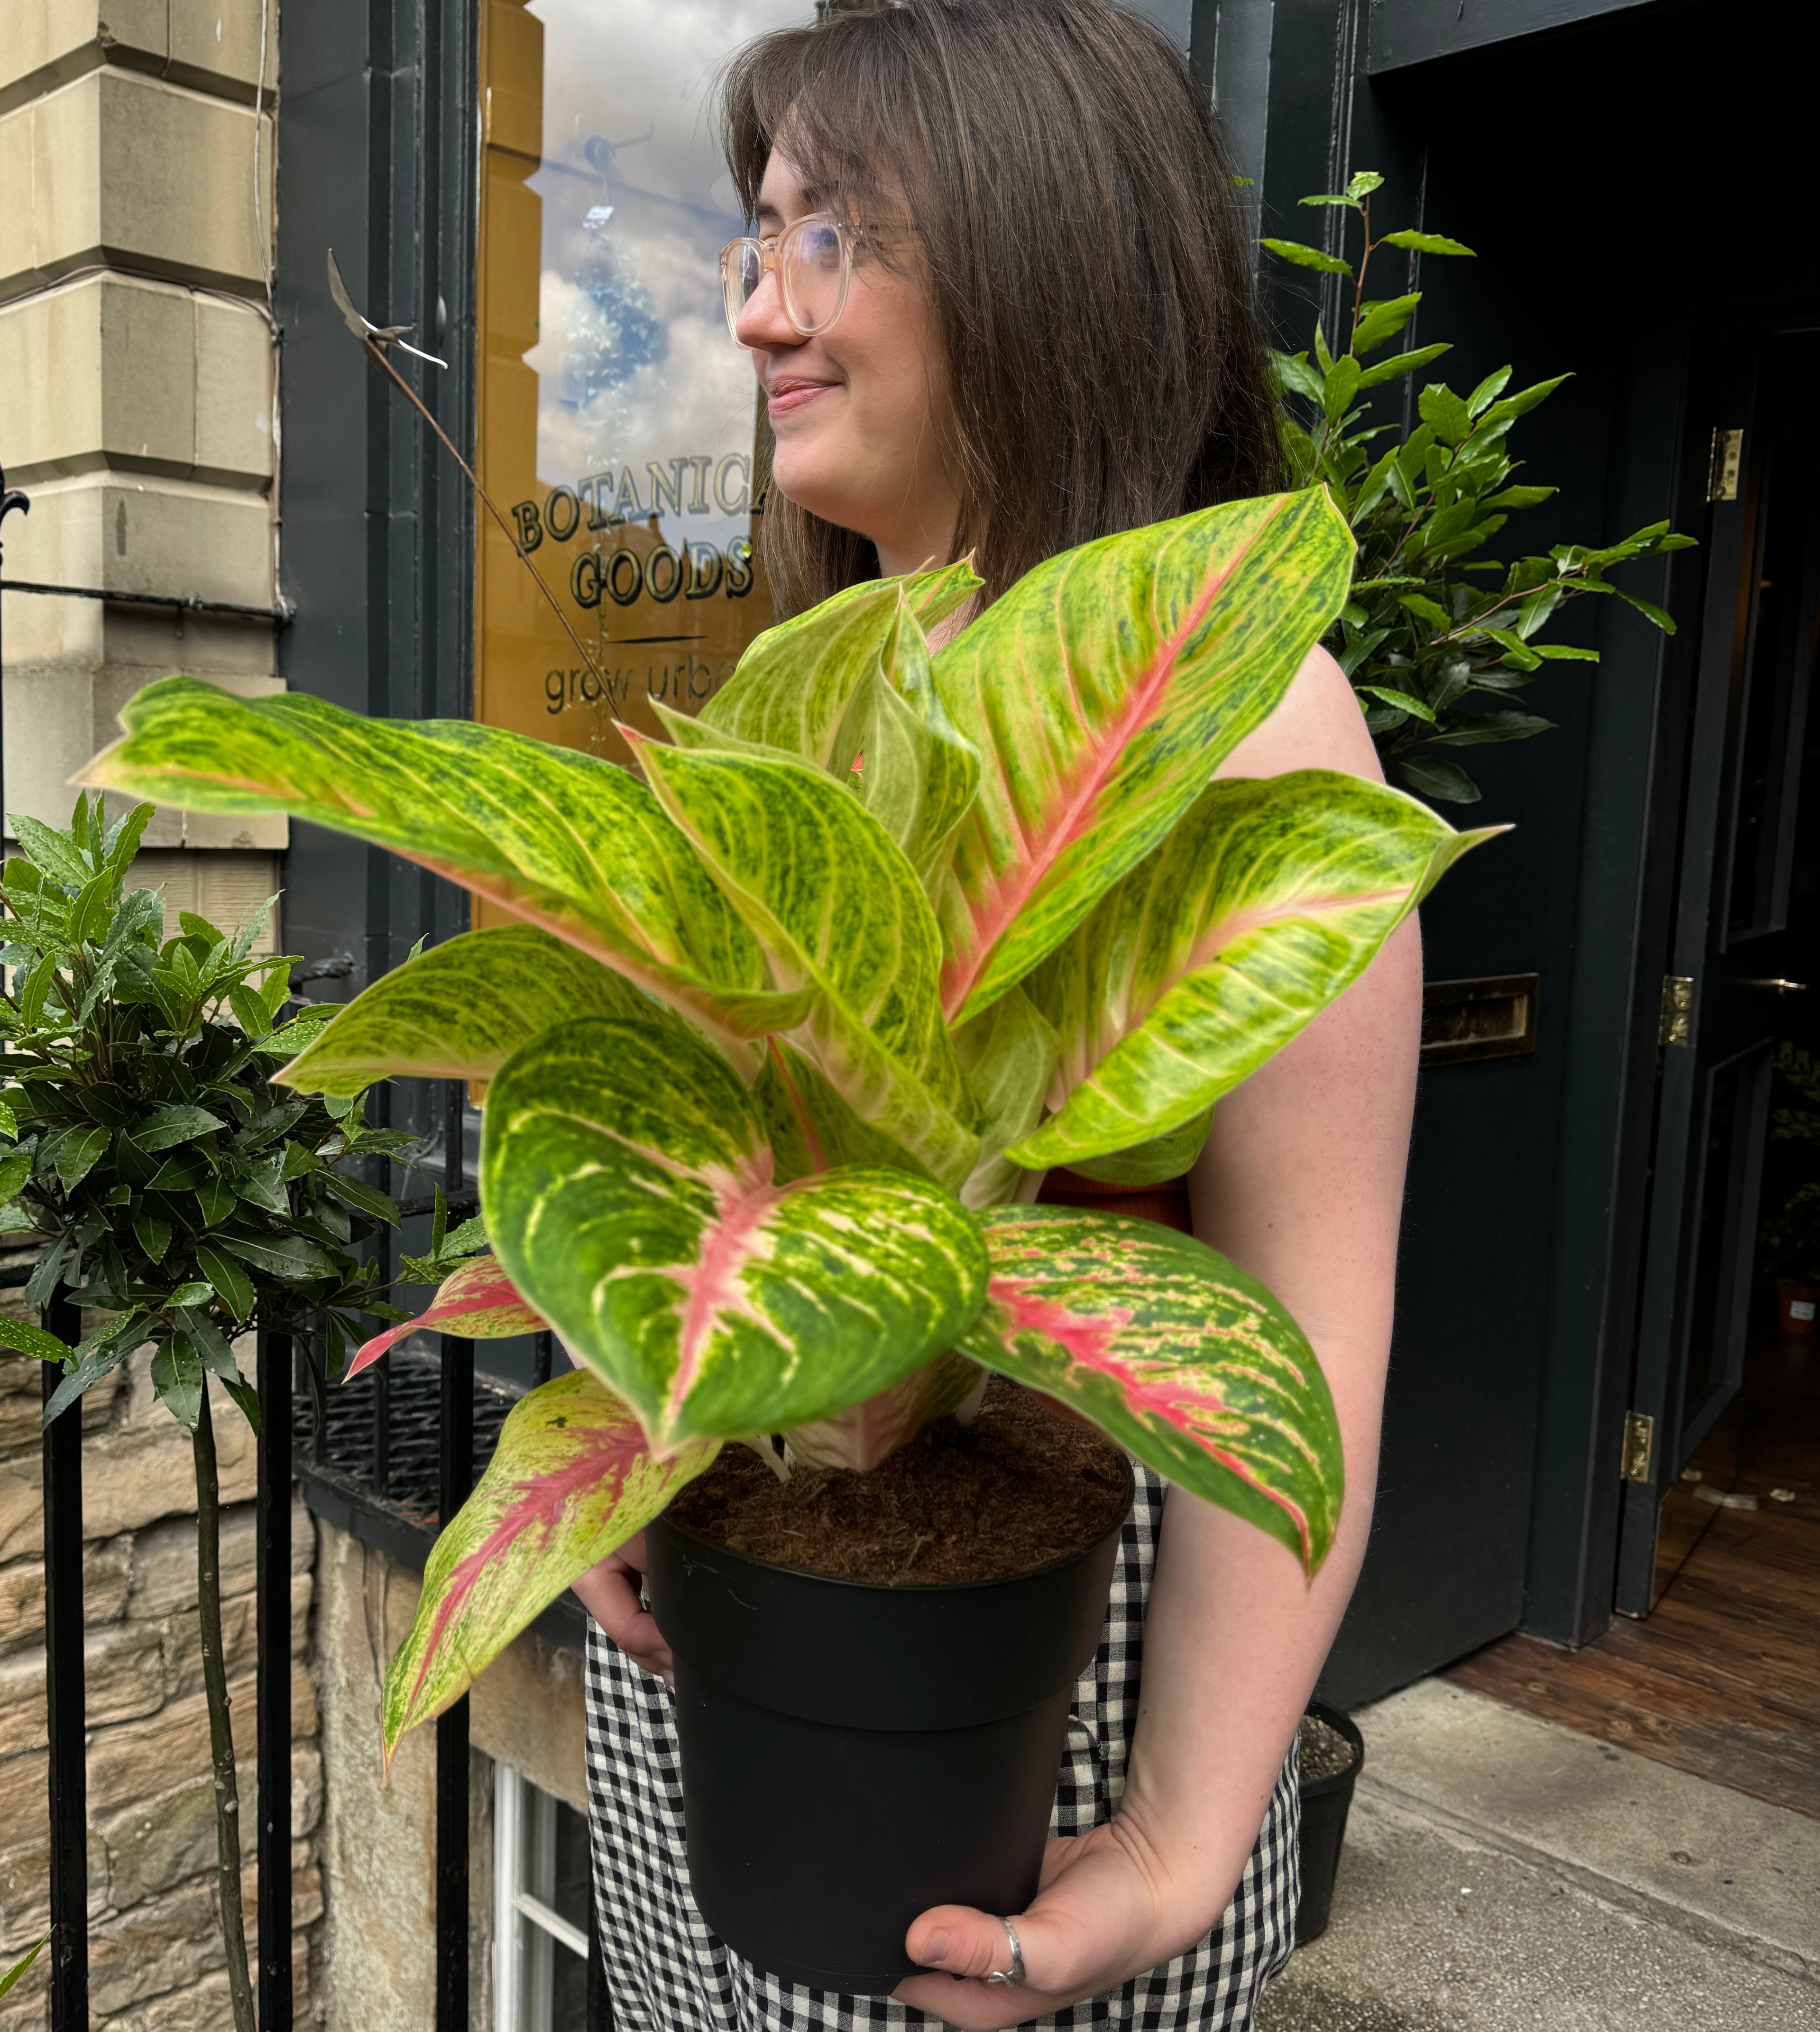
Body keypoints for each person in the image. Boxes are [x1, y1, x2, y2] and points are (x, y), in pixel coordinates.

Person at [571, 3, 1420, 2026]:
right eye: (755, 238)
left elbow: (1292, 1326)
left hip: (1014, 1693)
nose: (760, 309)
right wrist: (638, 1406)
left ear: (1040, 255)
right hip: (754, 1626)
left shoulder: (1219, 721)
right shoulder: (826, 685)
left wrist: (1186, 1835)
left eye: (830, 235)